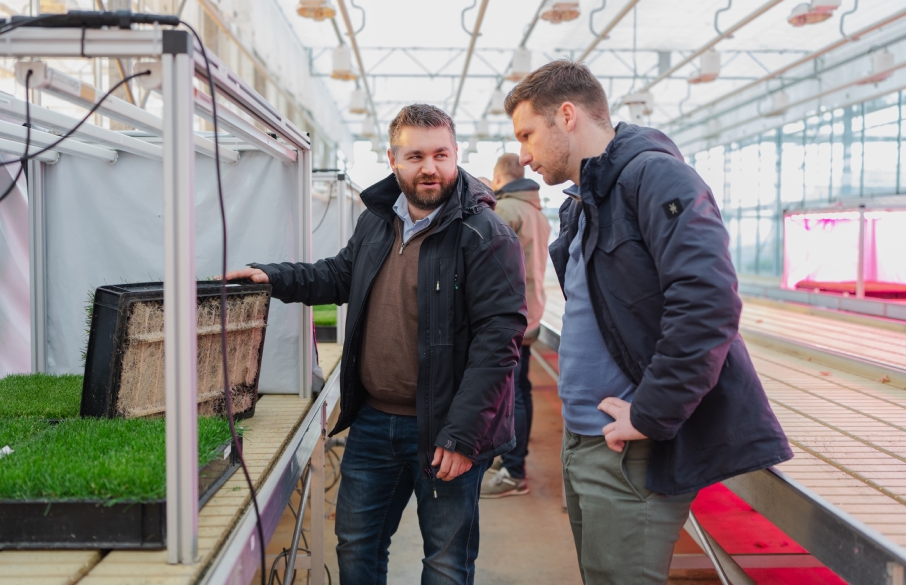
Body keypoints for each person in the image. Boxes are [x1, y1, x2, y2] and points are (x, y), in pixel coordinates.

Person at [505, 60, 792, 584]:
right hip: (590, 440)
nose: (523, 154)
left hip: (631, 450)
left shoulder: (655, 177)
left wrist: (652, 413)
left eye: (527, 133)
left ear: (566, 116)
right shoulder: (587, 200)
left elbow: (708, 302)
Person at [226, 104, 527, 585]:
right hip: (372, 424)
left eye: (440, 154)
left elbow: (499, 342)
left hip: (447, 429)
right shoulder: (376, 222)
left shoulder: (484, 235)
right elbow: (338, 275)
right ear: (392, 159)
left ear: (456, 156)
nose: (429, 168)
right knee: (357, 547)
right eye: (415, 156)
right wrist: (273, 277)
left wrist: (464, 435)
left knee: (446, 563)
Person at [480, 153, 550, 498]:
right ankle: (509, 459)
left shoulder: (506, 211)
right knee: (519, 389)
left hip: (510, 315)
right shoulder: (536, 211)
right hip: (531, 311)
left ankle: (514, 469)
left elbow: (487, 263)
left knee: (509, 395)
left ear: (497, 177)